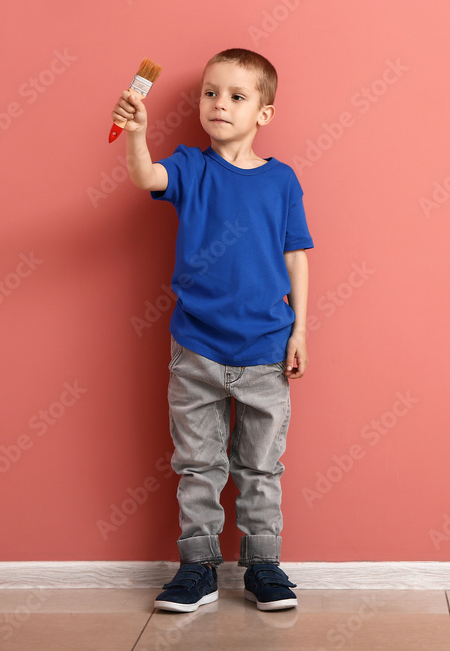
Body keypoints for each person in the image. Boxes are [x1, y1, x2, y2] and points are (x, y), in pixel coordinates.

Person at [112, 48, 312, 613]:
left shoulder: (282, 181)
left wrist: (301, 333)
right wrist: (137, 134)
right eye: (210, 93)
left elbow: (297, 257)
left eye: (236, 96)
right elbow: (144, 174)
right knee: (198, 466)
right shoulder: (188, 166)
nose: (219, 103)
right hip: (195, 349)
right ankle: (197, 568)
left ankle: (263, 565)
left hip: (267, 349)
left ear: (263, 114)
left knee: (260, 466)